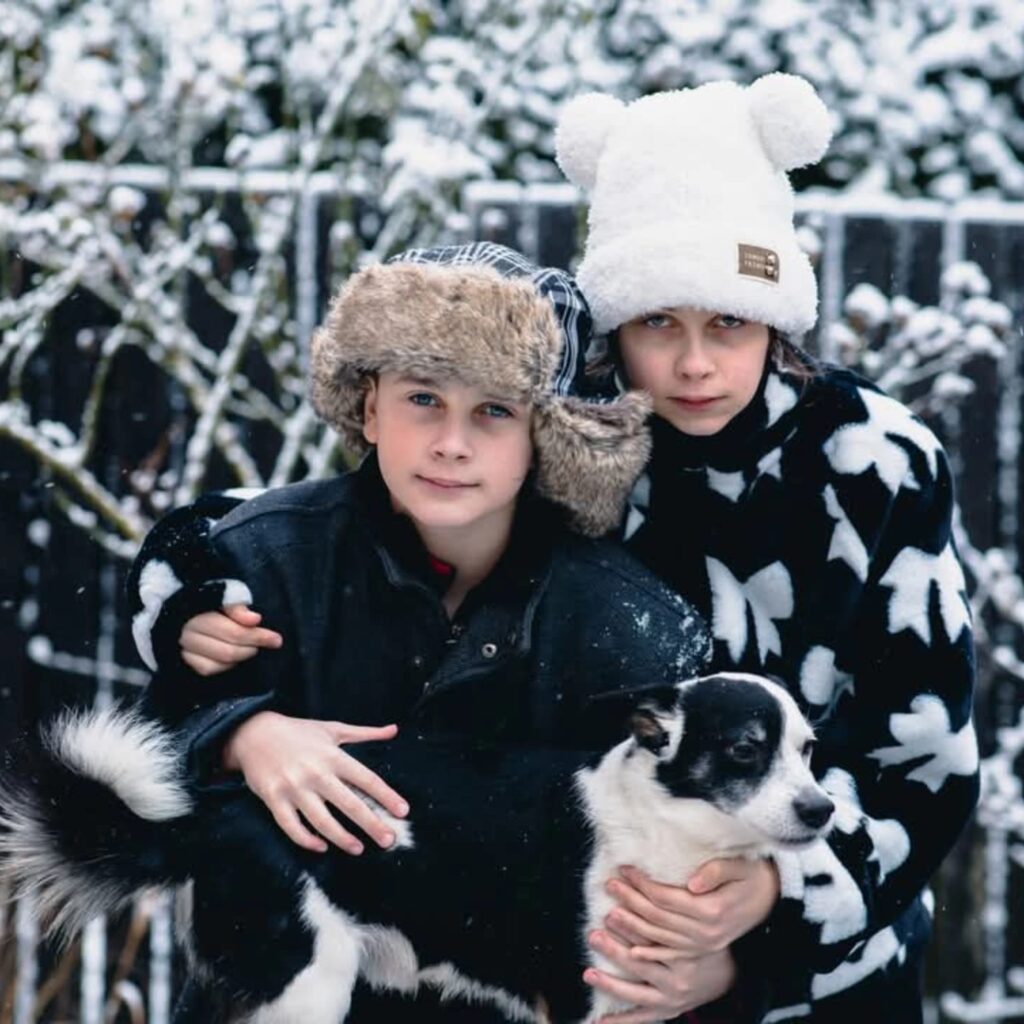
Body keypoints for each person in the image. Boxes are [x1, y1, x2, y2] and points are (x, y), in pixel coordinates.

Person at [129, 242, 729, 1021]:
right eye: (423, 398)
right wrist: (241, 734)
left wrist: (716, 965)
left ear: (548, 437)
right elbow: (146, 758)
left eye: (494, 411)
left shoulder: (625, 626)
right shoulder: (266, 566)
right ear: (369, 407)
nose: (452, 442)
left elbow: (692, 827)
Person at [550, 73, 981, 1021]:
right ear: (617, 321)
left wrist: (777, 905)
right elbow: (370, 523)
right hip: (597, 950)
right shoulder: (565, 451)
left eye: (728, 321)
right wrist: (215, 622)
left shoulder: (878, 461)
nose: (694, 362)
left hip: (834, 977)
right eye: (658, 320)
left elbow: (926, 757)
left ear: (775, 318)